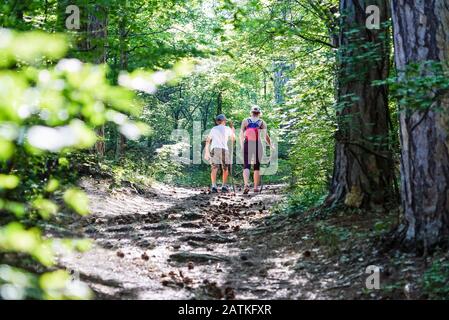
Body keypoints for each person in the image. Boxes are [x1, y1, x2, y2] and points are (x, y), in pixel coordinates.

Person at [240, 105, 272, 194]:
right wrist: (271, 145)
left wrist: (242, 144)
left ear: (251, 112)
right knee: (256, 166)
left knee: (246, 165)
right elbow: (265, 136)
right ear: (259, 113)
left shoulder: (245, 121)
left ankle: (246, 184)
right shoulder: (262, 122)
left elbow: (241, 133)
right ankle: (255, 187)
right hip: (258, 144)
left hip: (247, 143)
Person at [205, 114, 235, 193]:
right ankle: (224, 186)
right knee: (225, 168)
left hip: (214, 148)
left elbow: (208, 140)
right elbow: (233, 139)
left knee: (214, 167)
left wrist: (206, 152)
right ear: (224, 121)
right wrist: (232, 129)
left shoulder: (214, 128)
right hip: (224, 149)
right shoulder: (227, 128)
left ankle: (214, 186)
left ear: (218, 121)